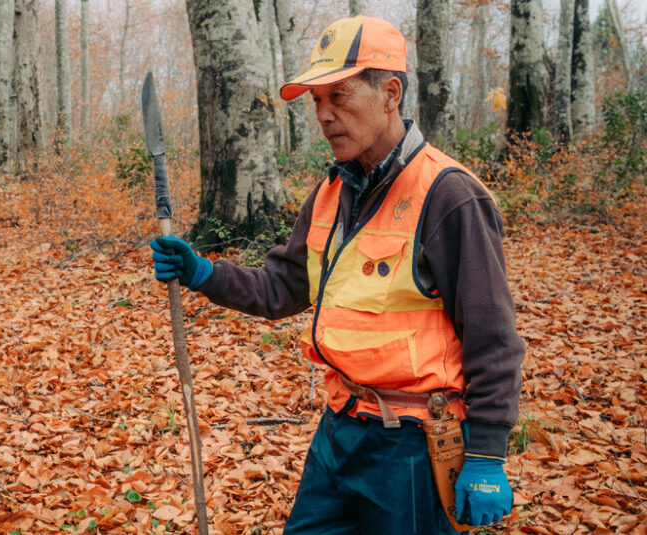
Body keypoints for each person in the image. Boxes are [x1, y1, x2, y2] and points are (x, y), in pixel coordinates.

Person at [151, 16, 524, 534]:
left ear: (390, 94)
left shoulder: (448, 194)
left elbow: (493, 336)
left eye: (339, 96)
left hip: (414, 444)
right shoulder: (333, 192)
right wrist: (203, 272)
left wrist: (485, 454)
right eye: (317, 101)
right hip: (340, 427)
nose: (324, 115)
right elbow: (282, 288)